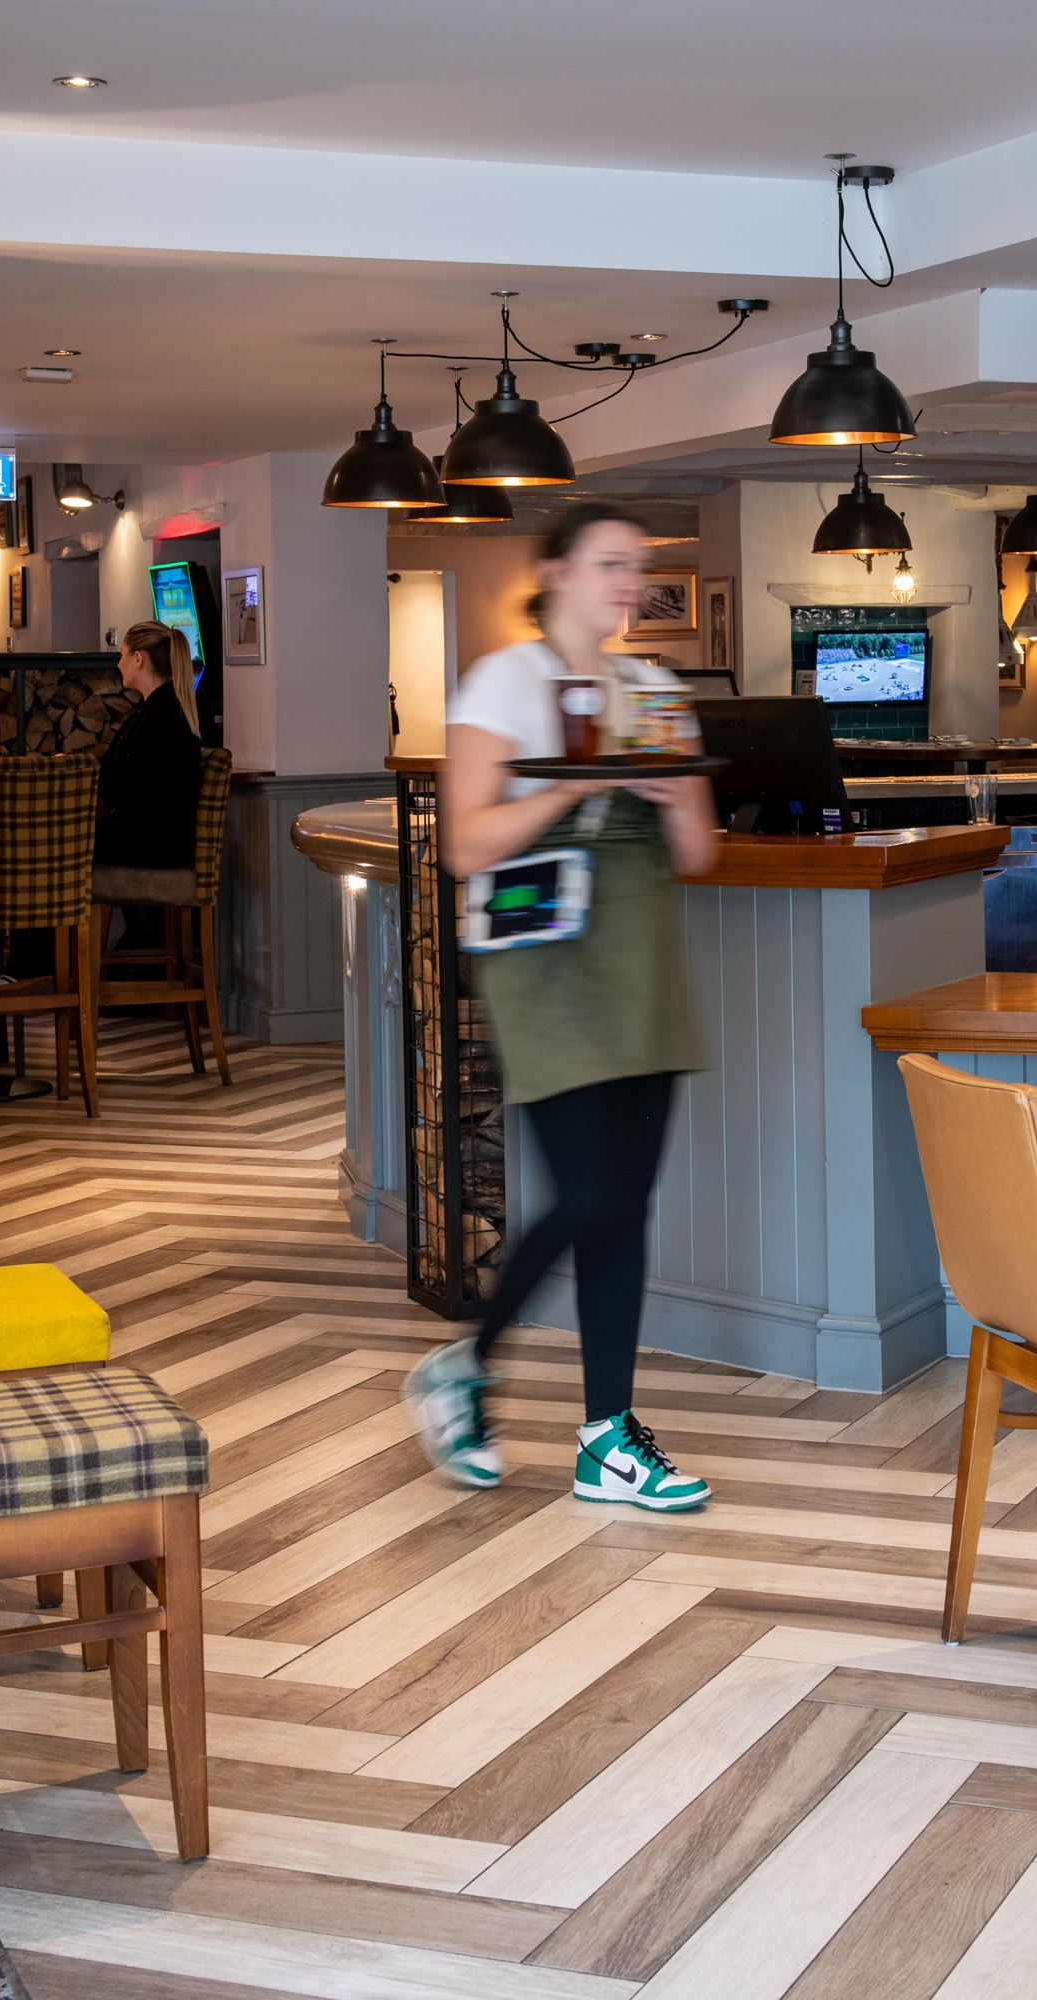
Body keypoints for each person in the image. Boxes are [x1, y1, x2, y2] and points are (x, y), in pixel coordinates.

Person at [403, 503, 722, 1513]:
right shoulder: (505, 679)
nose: (630, 580)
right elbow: (464, 841)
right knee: (586, 1196)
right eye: (611, 563)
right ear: (555, 573)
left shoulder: (656, 686)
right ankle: (468, 1362)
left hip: (641, 957)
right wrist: (583, 778)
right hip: (541, 958)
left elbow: (699, 852)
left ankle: (605, 1439)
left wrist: (670, 794)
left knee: (623, 1206)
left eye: (639, 564)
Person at [92, 621, 206, 897]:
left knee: (50, 844)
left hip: (154, 842)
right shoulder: (158, 708)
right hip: (156, 836)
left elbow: (129, 789)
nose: (119, 664)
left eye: (122, 655)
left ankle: (58, 938)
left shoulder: (159, 717)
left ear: (139, 659)